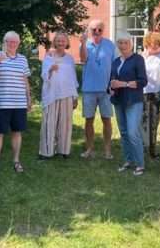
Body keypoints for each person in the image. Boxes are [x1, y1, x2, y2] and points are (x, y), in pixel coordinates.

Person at [0, 31, 31, 175]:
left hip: (19, 103)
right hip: (1, 103)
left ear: (18, 44)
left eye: (15, 42)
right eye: (9, 41)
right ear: (4, 42)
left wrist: (29, 98)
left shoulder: (23, 59)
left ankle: (16, 161)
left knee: (17, 133)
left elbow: (25, 80)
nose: (12, 44)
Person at [110, 32, 148, 176]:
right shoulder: (116, 61)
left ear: (131, 44)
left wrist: (124, 84)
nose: (123, 45)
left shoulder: (138, 59)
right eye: (120, 42)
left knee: (133, 132)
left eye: (125, 42)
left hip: (133, 101)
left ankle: (140, 164)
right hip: (118, 100)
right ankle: (128, 160)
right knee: (124, 132)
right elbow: (112, 80)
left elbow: (143, 81)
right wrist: (111, 87)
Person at [79, 19, 116, 159]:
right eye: (94, 29)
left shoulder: (110, 45)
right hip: (89, 89)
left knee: (106, 120)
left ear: (103, 30)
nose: (97, 32)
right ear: (89, 30)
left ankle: (107, 149)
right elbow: (83, 59)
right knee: (89, 120)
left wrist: (112, 84)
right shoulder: (85, 44)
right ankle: (89, 148)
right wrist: (82, 43)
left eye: (100, 29)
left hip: (105, 90)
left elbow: (114, 66)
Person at [39, 32, 78, 159]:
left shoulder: (70, 59)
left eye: (63, 41)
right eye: (58, 41)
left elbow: (73, 78)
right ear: (54, 42)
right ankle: (46, 151)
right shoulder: (49, 56)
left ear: (66, 43)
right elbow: (44, 75)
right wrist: (50, 69)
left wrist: (75, 96)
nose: (61, 43)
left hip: (67, 94)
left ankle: (64, 150)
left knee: (65, 123)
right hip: (52, 94)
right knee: (49, 122)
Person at [141, 32, 160, 159]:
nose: (154, 46)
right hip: (143, 93)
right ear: (147, 43)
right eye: (152, 43)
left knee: (154, 123)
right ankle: (143, 148)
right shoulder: (141, 57)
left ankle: (152, 151)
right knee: (143, 122)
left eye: (157, 44)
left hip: (157, 93)